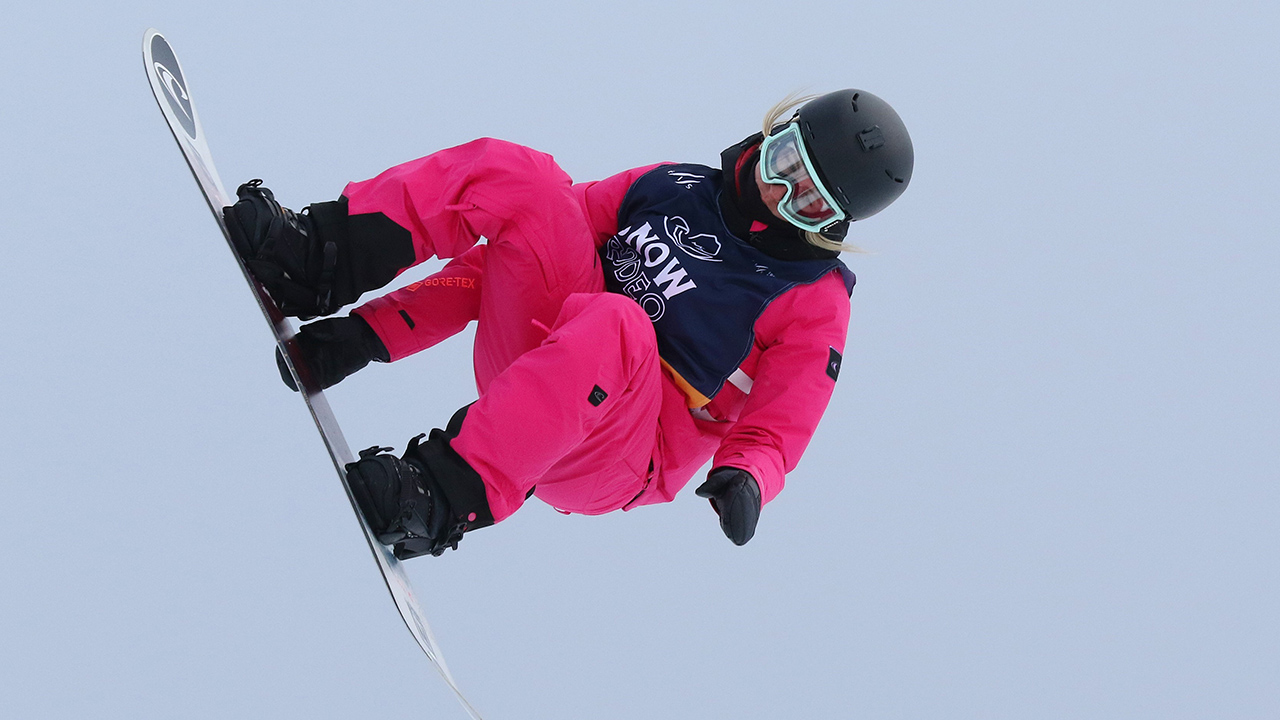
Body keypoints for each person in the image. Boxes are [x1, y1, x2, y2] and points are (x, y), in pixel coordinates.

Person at [222, 89, 914, 560]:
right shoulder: (675, 186)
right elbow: (514, 255)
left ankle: (440, 497)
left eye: (808, 199)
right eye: (785, 163)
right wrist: (367, 335)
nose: (777, 190)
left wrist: (746, 480)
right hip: (543, 361)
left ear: (832, 225)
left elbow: (777, 431)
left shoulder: (814, 299)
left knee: (617, 323)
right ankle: (312, 260)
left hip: (617, 452)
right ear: (771, 134)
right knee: (522, 179)